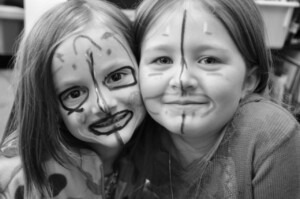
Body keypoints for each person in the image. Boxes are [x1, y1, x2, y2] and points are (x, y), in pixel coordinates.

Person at [129, 0, 300, 198]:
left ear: (248, 80)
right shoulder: (130, 132)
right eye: (162, 60)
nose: (182, 80)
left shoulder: (270, 136)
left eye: (209, 60)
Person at [0, 0, 145, 198]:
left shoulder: (156, 154)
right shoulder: (18, 179)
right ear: (48, 104)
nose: (103, 104)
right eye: (74, 93)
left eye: (116, 77)